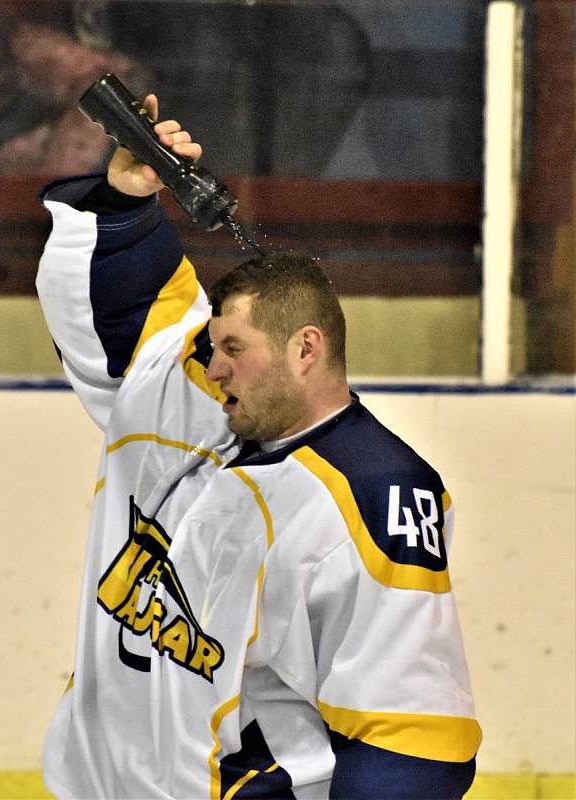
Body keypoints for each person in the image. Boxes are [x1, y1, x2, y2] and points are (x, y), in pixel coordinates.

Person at [36, 92, 481, 799]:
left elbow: (412, 736)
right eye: (212, 346)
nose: (211, 367)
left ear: (305, 349)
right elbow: (115, 315)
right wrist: (124, 201)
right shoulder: (185, 389)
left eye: (233, 349)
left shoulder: (375, 490)